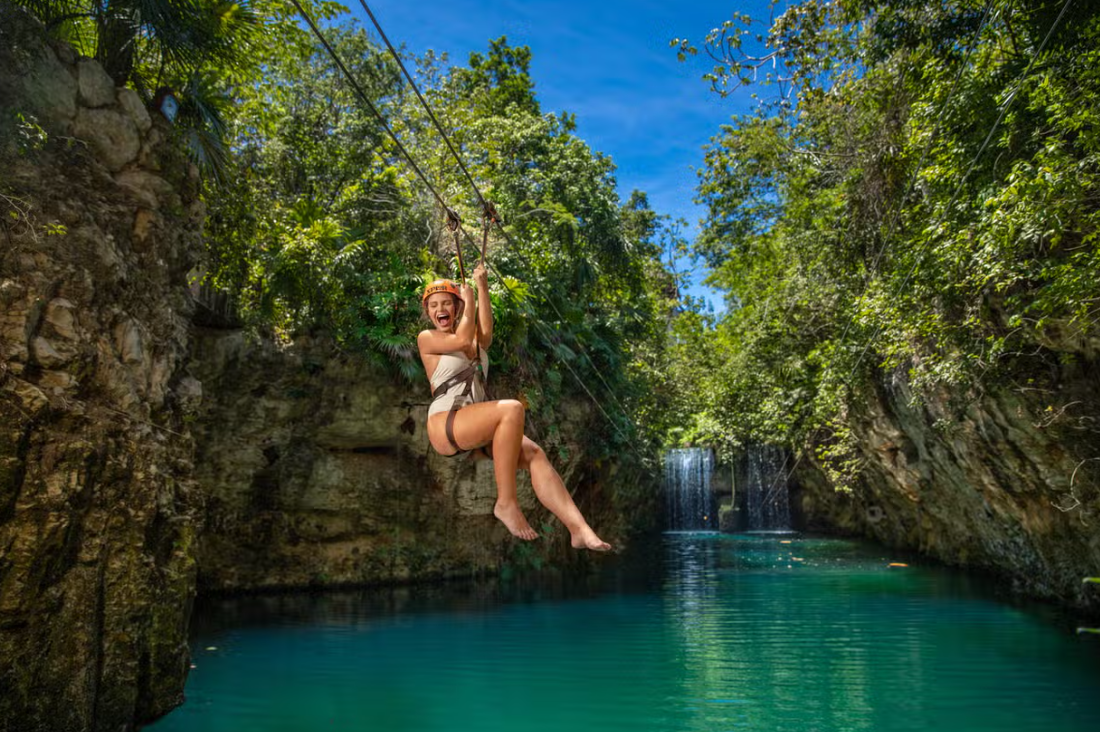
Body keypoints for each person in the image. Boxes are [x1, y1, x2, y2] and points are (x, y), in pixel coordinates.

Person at [417, 263, 611, 551]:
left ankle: (579, 530)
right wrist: (467, 300)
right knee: (511, 409)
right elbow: (460, 338)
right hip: (445, 423)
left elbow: (485, 336)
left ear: (455, 309)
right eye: (434, 305)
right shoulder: (428, 338)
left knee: (534, 454)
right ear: (429, 312)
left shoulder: (473, 343)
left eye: (446, 303)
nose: (440, 309)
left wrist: (481, 286)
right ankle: (506, 502)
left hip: (471, 427)